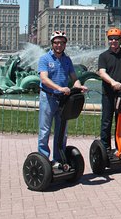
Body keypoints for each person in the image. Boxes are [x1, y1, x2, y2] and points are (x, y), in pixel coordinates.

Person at [37, 30, 87, 169]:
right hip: (48, 97)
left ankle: (58, 159)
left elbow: (74, 78)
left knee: (62, 131)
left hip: (63, 99)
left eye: (62, 43)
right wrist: (59, 88)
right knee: (45, 130)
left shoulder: (67, 60)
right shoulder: (45, 59)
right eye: (56, 42)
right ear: (52, 44)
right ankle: (43, 160)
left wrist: (79, 86)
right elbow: (44, 79)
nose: (59, 45)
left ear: (65, 44)